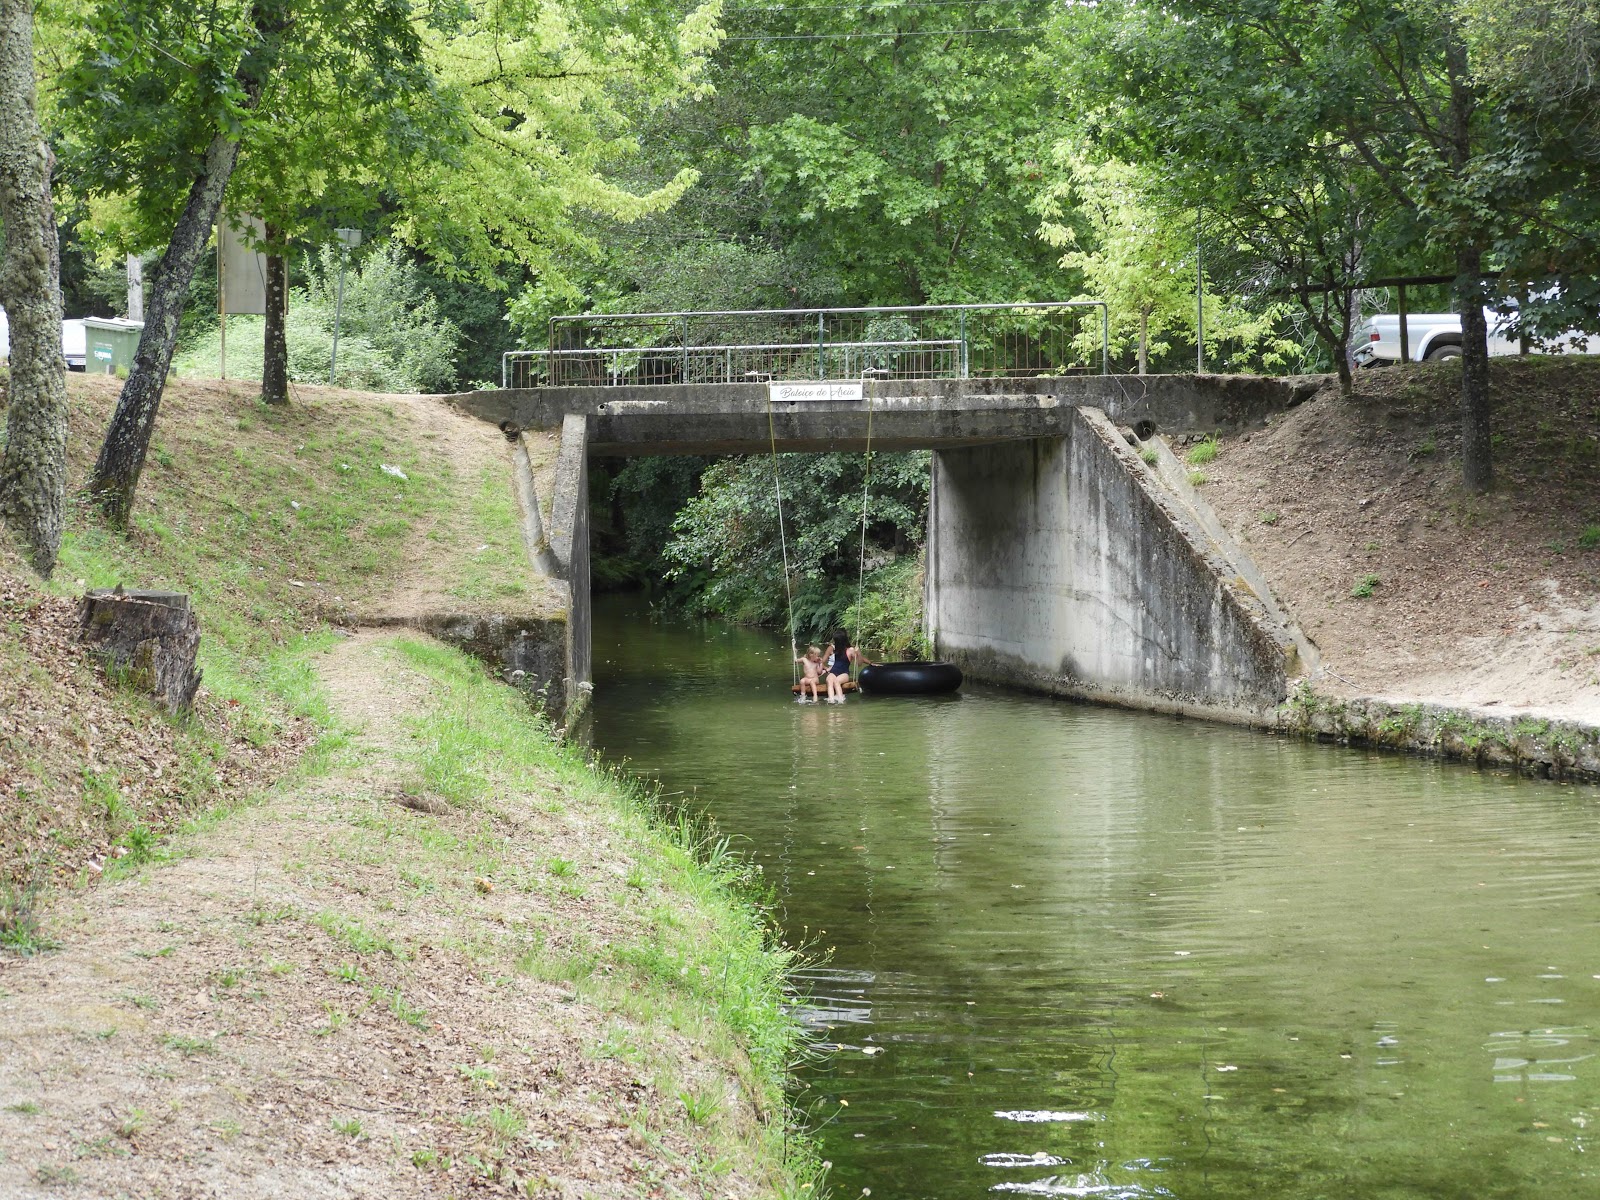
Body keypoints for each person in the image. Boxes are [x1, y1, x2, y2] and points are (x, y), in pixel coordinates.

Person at [824, 629, 872, 703]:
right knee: (829, 680)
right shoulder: (834, 648)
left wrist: (858, 653)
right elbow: (824, 658)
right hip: (833, 672)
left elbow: (859, 664)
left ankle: (841, 700)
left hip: (844, 673)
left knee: (836, 682)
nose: (834, 642)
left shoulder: (850, 650)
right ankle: (831, 700)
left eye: (836, 641)